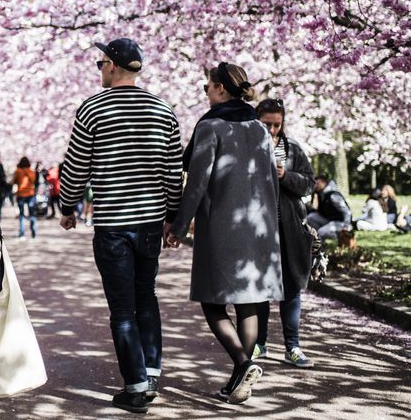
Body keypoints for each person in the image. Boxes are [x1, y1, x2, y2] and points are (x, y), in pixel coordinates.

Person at [59, 38, 183, 414]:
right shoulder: (163, 110)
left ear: (113, 65)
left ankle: (135, 386)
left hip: (113, 223)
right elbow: (172, 172)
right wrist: (171, 217)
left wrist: (68, 207)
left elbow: (77, 165)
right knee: (147, 297)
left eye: (101, 63)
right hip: (148, 222)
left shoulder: (93, 109)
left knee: (123, 309)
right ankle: (151, 372)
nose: (99, 69)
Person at [165, 62, 283, 404]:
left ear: (219, 89)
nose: (207, 94)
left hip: (222, 227)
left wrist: (179, 224)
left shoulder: (211, 127)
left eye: (207, 88)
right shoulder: (260, 129)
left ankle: (243, 363)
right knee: (249, 303)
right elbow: (271, 180)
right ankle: (239, 381)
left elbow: (196, 184)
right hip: (260, 227)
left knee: (211, 300)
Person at [252, 98, 316, 369]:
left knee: (291, 289)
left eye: (277, 125)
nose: (272, 131)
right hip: (258, 229)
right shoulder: (248, 147)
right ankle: (260, 344)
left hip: (290, 230)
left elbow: (309, 185)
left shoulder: (294, 150)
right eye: (267, 124)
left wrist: (285, 175)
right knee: (260, 289)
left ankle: (293, 346)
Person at [306, 175, 352, 241]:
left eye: (317, 183)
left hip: (340, 223)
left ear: (324, 183)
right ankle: (319, 241)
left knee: (321, 232)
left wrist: (346, 226)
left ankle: (339, 239)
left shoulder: (333, 195)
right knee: (311, 217)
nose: (315, 186)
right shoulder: (320, 194)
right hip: (329, 220)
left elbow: (346, 211)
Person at [12, 156, 37, 238]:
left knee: (22, 214)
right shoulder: (31, 171)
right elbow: (33, 181)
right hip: (30, 194)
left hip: (21, 194)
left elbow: (14, 181)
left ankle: (22, 233)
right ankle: (34, 231)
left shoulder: (18, 171)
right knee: (32, 214)